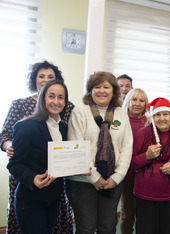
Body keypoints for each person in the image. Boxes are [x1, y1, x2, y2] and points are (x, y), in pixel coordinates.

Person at [0, 60, 74, 233]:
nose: (56, 101)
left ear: (65, 102)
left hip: (54, 197)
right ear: (42, 98)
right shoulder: (26, 126)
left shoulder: (63, 127)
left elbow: (66, 157)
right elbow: (14, 165)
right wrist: (32, 178)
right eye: (51, 96)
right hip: (30, 197)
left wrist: (81, 165)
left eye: (60, 97)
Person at [67, 71, 133, 233]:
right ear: (90, 90)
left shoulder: (121, 114)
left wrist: (116, 177)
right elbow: (76, 146)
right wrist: (95, 177)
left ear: (113, 90)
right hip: (83, 181)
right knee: (86, 228)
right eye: (97, 87)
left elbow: (127, 147)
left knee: (108, 227)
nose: (102, 90)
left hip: (112, 181)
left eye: (106, 87)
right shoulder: (80, 112)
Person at [131, 97, 170, 234]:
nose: (162, 118)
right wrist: (146, 156)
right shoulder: (142, 134)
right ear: (152, 117)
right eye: (157, 114)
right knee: (145, 230)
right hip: (144, 195)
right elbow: (131, 163)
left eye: (165, 114)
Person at [120, 88, 151, 234]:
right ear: (128, 101)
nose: (137, 103)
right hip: (125, 174)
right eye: (134, 99)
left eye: (141, 100)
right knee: (127, 212)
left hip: (144, 174)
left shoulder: (149, 122)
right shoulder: (120, 120)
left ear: (146, 104)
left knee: (143, 213)